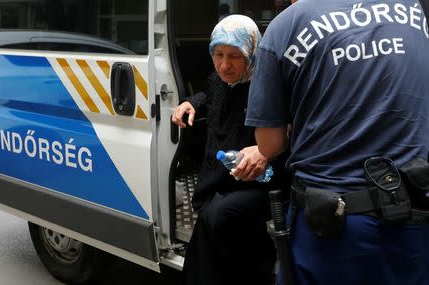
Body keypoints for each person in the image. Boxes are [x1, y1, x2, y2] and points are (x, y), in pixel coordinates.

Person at [245, 0, 429, 285]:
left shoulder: (286, 25)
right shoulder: (415, 10)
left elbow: (270, 145)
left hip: (334, 226)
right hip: (414, 212)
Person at [171, 15, 289, 285]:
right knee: (212, 216)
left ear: (251, 53)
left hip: (265, 178)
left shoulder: (267, 85)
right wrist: (191, 102)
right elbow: (209, 92)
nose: (225, 65)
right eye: (219, 54)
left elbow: (285, 136)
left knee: (217, 215)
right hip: (225, 179)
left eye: (235, 56)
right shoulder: (218, 80)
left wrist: (263, 153)